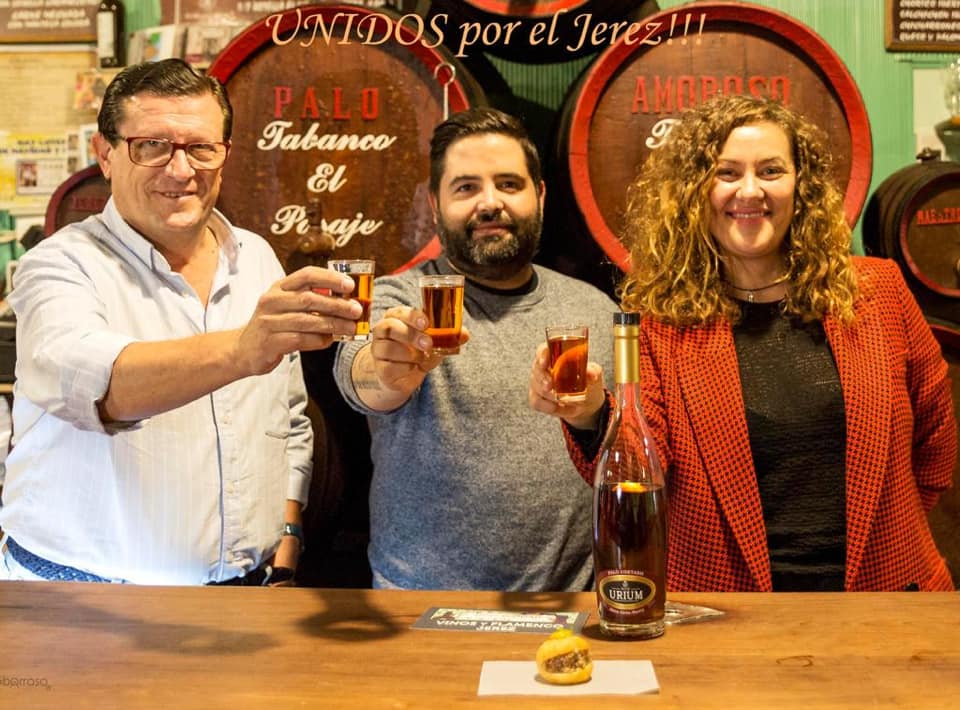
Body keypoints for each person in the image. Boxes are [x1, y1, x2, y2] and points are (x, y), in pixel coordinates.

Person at [530, 94, 957, 592]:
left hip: (886, 597)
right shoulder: (662, 323)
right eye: (726, 172)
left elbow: (935, 444)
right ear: (695, 190)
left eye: (771, 170)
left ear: (803, 186)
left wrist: (891, 536)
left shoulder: (878, 291)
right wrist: (588, 413)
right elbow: (646, 467)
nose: (749, 191)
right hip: (728, 610)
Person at [0, 59, 362, 585]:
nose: (180, 169)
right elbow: (93, 385)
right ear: (104, 154)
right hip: (82, 606)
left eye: (200, 148)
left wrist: (287, 538)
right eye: (151, 146)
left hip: (248, 596)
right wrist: (241, 349)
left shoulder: (255, 256)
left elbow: (286, 417)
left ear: (225, 155)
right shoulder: (59, 265)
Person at [333, 107, 616, 590]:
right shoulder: (397, 298)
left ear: (540, 196)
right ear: (434, 203)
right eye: (466, 188)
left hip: (569, 610)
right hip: (419, 614)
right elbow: (360, 376)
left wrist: (591, 418)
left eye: (509, 184)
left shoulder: (594, 310)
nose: (490, 203)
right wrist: (385, 371)